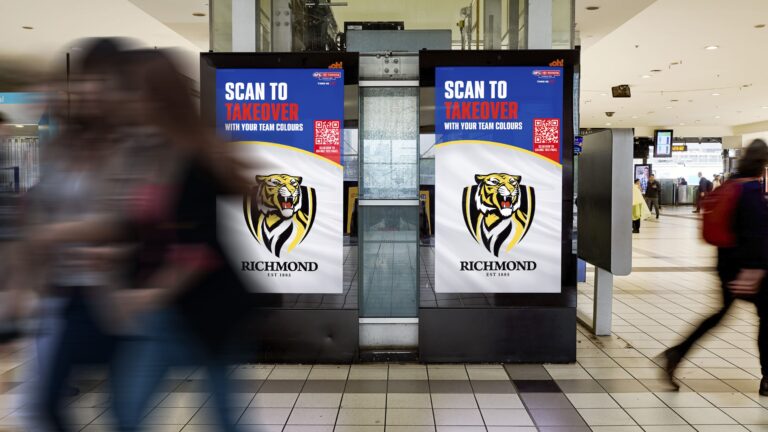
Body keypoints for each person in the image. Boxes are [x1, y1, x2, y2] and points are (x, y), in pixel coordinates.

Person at [664, 139, 768, 395]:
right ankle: (767, 378)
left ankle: (676, 353)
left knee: (720, 315)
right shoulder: (752, 190)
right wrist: (754, 268)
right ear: (762, 164)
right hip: (749, 269)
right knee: (766, 319)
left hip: (727, 265)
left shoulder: (732, 185)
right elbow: (757, 233)